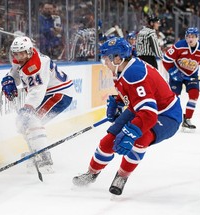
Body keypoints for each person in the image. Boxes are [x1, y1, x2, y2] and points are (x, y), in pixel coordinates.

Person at [72, 37, 182, 196]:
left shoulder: (135, 74)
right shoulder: (122, 69)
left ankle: (122, 176)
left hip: (167, 114)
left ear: (117, 57)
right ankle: (91, 173)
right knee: (108, 141)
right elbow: (133, 95)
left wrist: (131, 133)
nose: (104, 62)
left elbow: (149, 114)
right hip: (142, 109)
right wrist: (118, 101)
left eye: (106, 58)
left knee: (140, 139)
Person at [1, 36, 74, 172]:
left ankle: (45, 158)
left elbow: (37, 91)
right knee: (24, 124)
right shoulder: (24, 58)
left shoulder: (36, 65)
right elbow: (16, 72)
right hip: (48, 92)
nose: (18, 56)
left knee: (32, 121)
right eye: (15, 53)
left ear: (29, 51)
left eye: (21, 53)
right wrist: (9, 79)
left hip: (59, 94)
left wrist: (28, 108)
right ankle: (36, 151)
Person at [162, 27, 200, 131]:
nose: (190, 39)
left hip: (192, 74)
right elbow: (166, 60)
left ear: (197, 38)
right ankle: (171, 118)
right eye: (188, 37)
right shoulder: (179, 45)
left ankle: (187, 119)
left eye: (193, 37)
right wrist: (174, 73)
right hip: (176, 72)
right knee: (174, 97)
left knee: (194, 95)